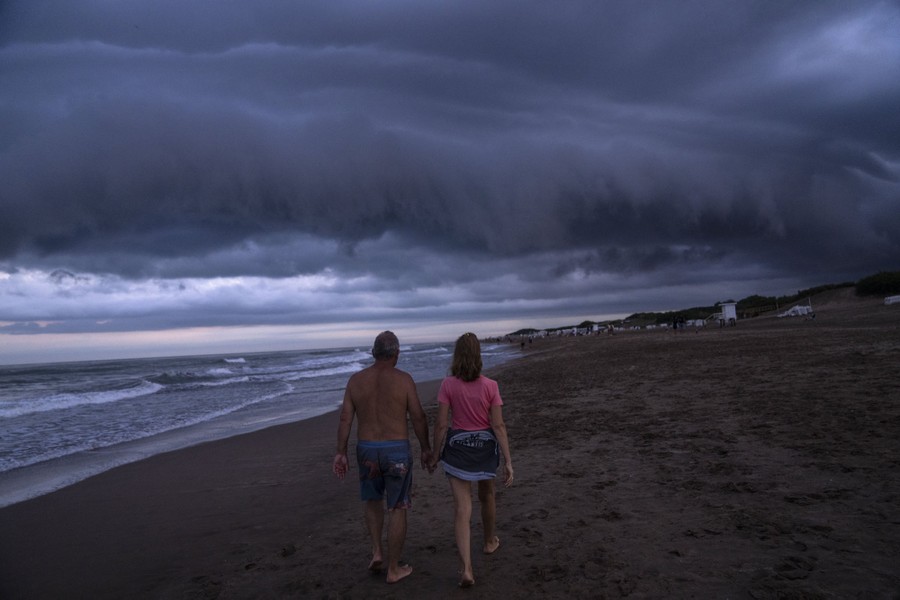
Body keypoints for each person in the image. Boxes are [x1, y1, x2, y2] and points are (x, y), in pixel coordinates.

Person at [333, 331, 434, 584]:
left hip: (367, 448)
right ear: (396, 354)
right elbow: (418, 416)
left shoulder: (356, 381)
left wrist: (341, 452)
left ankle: (377, 551)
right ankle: (393, 568)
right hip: (396, 449)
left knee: (372, 500)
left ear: (373, 353)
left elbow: (345, 418)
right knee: (398, 506)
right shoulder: (404, 380)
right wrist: (425, 448)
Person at [430, 332, 513, 588]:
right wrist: (508, 460)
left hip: (457, 450)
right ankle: (489, 542)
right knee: (487, 496)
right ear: (478, 356)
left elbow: (442, 425)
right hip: (485, 449)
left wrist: (435, 454)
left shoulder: (448, 385)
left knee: (462, 508)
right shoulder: (491, 386)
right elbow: (497, 425)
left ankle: (466, 568)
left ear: (457, 356)